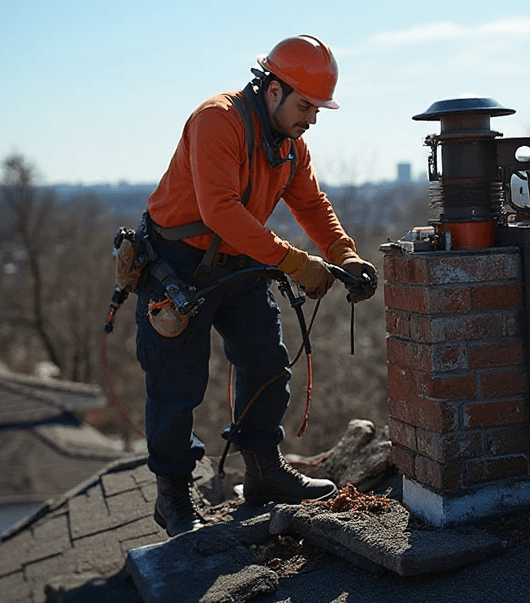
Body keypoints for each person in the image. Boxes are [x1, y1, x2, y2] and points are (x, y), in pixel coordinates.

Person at [135, 35, 377, 537]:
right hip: (177, 264)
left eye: (318, 108)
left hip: (240, 259)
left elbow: (311, 205)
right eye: (305, 105)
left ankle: (264, 471)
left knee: (266, 360)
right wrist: (295, 263)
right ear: (272, 89)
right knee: (177, 384)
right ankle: (174, 496)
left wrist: (342, 253)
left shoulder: (290, 147)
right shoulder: (216, 121)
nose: (312, 118)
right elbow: (219, 210)